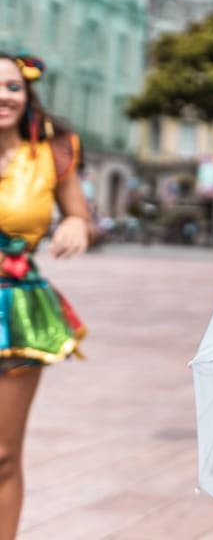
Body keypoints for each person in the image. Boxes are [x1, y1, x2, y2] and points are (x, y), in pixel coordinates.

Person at [0, 54, 89, 540]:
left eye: (12, 87)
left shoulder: (51, 153)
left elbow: (77, 213)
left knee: (2, 454)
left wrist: (75, 224)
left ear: (27, 94)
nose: (3, 97)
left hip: (15, 307)